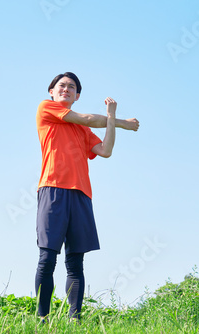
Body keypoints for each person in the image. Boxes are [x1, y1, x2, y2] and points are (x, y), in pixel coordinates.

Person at [35, 72, 139, 321]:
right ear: (52, 91)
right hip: (53, 189)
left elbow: (106, 150)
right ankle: (42, 318)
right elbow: (88, 118)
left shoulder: (82, 128)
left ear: (77, 95)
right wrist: (124, 122)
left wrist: (112, 119)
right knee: (47, 257)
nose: (66, 89)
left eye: (72, 87)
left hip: (81, 195)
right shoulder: (47, 108)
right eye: (62, 85)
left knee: (75, 262)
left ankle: (74, 319)